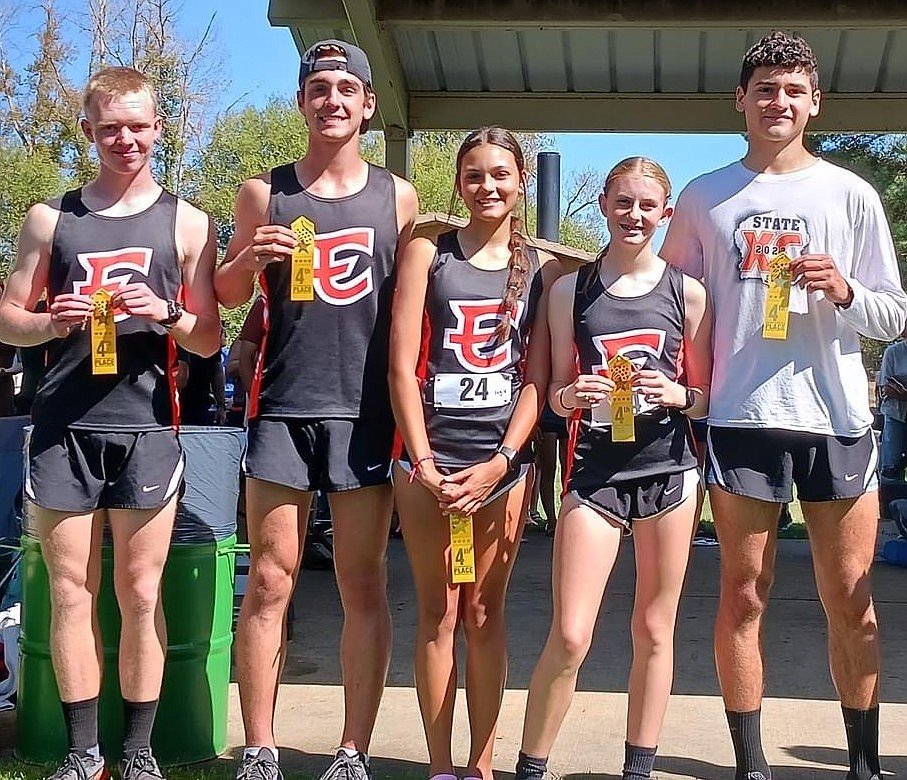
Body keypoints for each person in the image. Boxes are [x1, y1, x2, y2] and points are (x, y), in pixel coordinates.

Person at [660, 31, 907, 780]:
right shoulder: (704, 197)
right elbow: (670, 309)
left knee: (850, 601)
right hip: (739, 419)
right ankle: (750, 766)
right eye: (765, 88)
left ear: (814, 102)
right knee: (741, 597)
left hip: (835, 421)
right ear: (739, 99)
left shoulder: (849, 194)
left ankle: (862, 764)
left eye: (793, 90)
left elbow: (892, 316)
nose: (778, 102)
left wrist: (844, 291)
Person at [0, 66, 220, 780]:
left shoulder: (188, 222)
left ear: (159, 129)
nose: (125, 139)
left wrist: (168, 313)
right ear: (89, 132)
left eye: (138, 125)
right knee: (69, 592)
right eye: (110, 127)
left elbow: (210, 339)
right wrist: (45, 321)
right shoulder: (50, 218)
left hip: (149, 430)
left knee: (142, 592)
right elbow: (8, 316)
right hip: (64, 428)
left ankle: (137, 753)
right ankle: (82, 753)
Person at [214, 39, 418, 780]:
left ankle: (352, 750)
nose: (333, 99)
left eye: (347, 89)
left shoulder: (396, 196)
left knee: (362, 582)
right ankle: (260, 747)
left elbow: (407, 307)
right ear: (301, 102)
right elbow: (226, 297)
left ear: (367, 104)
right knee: (270, 580)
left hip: (363, 414)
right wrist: (246, 260)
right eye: (318, 87)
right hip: (281, 408)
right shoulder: (261, 192)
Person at [516, 157, 711, 780]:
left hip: (668, 471)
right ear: (602, 204)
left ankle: (639, 766)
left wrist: (676, 394)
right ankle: (532, 764)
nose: (634, 216)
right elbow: (552, 390)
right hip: (595, 472)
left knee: (654, 628)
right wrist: (569, 398)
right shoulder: (570, 290)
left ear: (665, 214)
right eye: (622, 203)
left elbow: (706, 394)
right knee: (571, 634)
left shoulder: (688, 292)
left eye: (646, 206)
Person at [390, 126, 557, 780]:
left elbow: (536, 379)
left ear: (519, 183)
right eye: (474, 175)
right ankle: (439, 766)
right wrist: (426, 464)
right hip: (426, 464)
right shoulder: (427, 254)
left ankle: (480, 765)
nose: (487, 186)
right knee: (438, 613)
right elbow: (402, 368)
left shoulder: (538, 270)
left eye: (500, 175)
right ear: (457, 183)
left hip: (499, 470)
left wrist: (501, 462)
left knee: (484, 613)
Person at [877, 328, 907, 481]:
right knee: (890, 467)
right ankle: (889, 502)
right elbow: (886, 388)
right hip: (896, 416)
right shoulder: (893, 352)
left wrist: (901, 392)